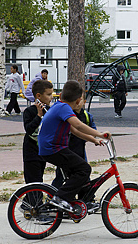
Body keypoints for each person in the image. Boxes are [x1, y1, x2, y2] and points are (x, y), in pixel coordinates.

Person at [38, 80, 108, 212]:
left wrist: (94, 140)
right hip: (53, 149)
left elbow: (75, 131)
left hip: (51, 148)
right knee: (84, 169)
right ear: (78, 100)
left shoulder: (59, 106)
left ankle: (74, 202)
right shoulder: (64, 108)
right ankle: (60, 198)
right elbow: (79, 125)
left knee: (77, 173)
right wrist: (100, 134)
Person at [22, 80, 55, 185]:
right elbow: (29, 129)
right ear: (38, 96)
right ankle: (34, 200)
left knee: (39, 179)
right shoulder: (29, 111)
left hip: (43, 151)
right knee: (34, 182)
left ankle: (32, 201)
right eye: (49, 94)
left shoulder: (50, 110)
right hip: (31, 152)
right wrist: (39, 116)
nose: (51, 97)